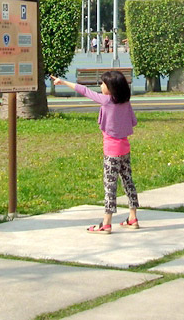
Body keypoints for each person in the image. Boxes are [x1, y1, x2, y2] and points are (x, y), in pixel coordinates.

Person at [51, 71, 140, 234]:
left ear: (111, 88)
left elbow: (84, 91)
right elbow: (133, 122)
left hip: (111, 152)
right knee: (128, 181)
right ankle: (132, 217)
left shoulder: (106, 101)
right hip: (125, 149)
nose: (100, 86)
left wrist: (63, 82)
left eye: (103, 84)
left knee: (110, 186)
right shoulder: (125, 101)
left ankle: (106, 223)